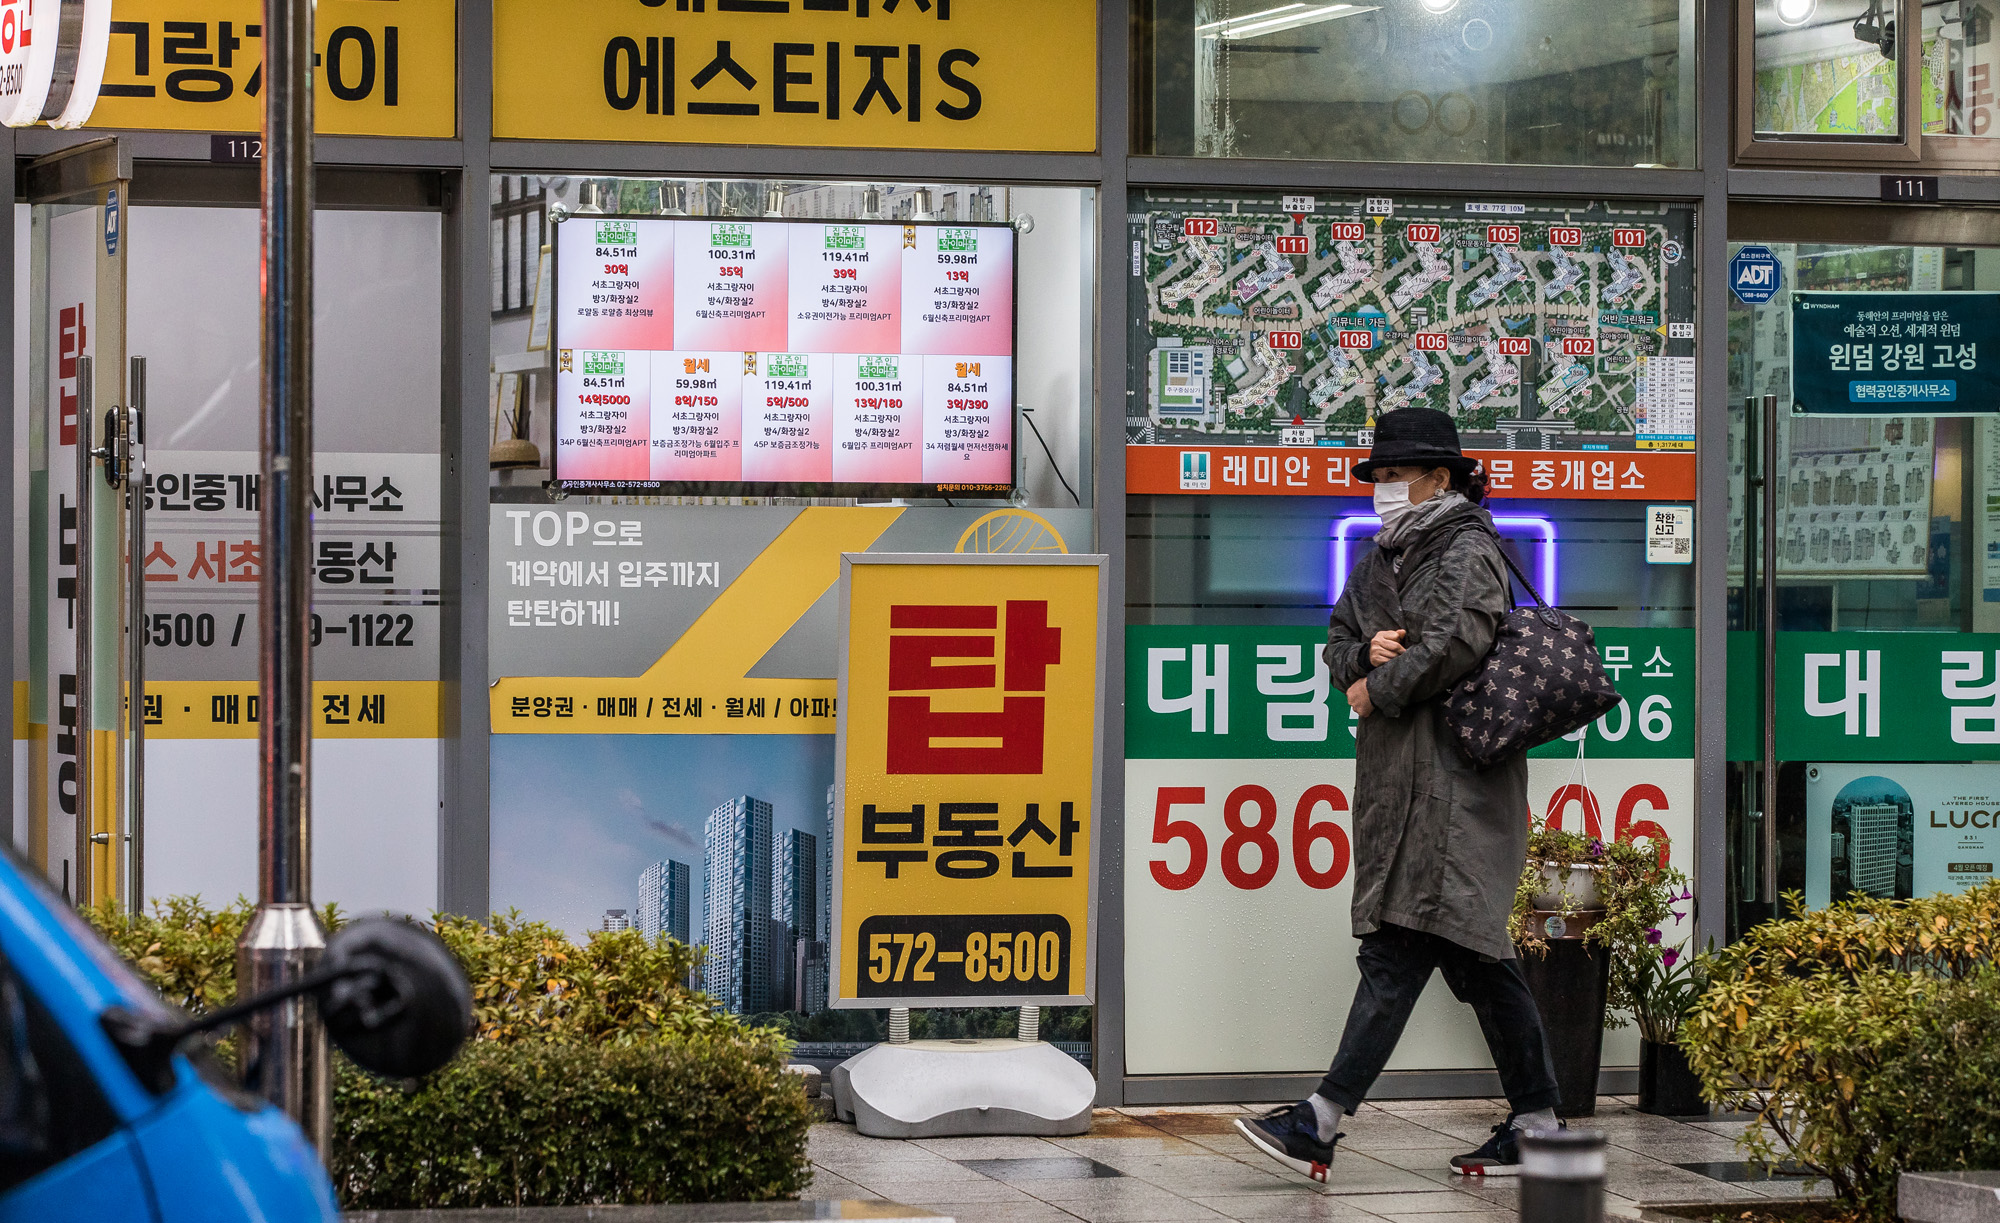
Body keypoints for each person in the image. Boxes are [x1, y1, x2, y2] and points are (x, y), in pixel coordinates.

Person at [1235, 407, 1562, 1183]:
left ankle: (1322, 1117)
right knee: (1477, 959)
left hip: (1454, 790)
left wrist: (1374, 686)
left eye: (1393, 476)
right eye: (1377, 478)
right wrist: (1364, 655)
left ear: (1439, 479)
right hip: (1401, 783)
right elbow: (1339, 636)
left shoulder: (1467, 549)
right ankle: (1542, 1125)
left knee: (1399, 948)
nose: (1382, 490)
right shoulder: (1384, 557)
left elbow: (1454, 642)